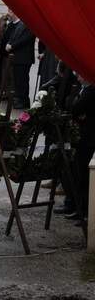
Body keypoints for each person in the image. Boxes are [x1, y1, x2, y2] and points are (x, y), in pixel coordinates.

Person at [69, 75, 95, 222]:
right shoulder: (86, 89)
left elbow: (75, 108)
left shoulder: (90, 91)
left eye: (80, 74)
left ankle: (84, 212)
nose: (78, 77)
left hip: (88, 138)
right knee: (81, 175)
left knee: (84, 176)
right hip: (86, 137)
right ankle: (81, 209)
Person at [3, 9, 35, 109]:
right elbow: (13, 36)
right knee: (17, 80)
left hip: (24, 58)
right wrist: (9, 43)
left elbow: (25, 39)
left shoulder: (29, 24)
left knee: (22, 80)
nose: (9, 13)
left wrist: (12, 46)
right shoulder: (18, 24)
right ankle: (19, 99)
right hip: (17, 58)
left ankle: (24, 101)